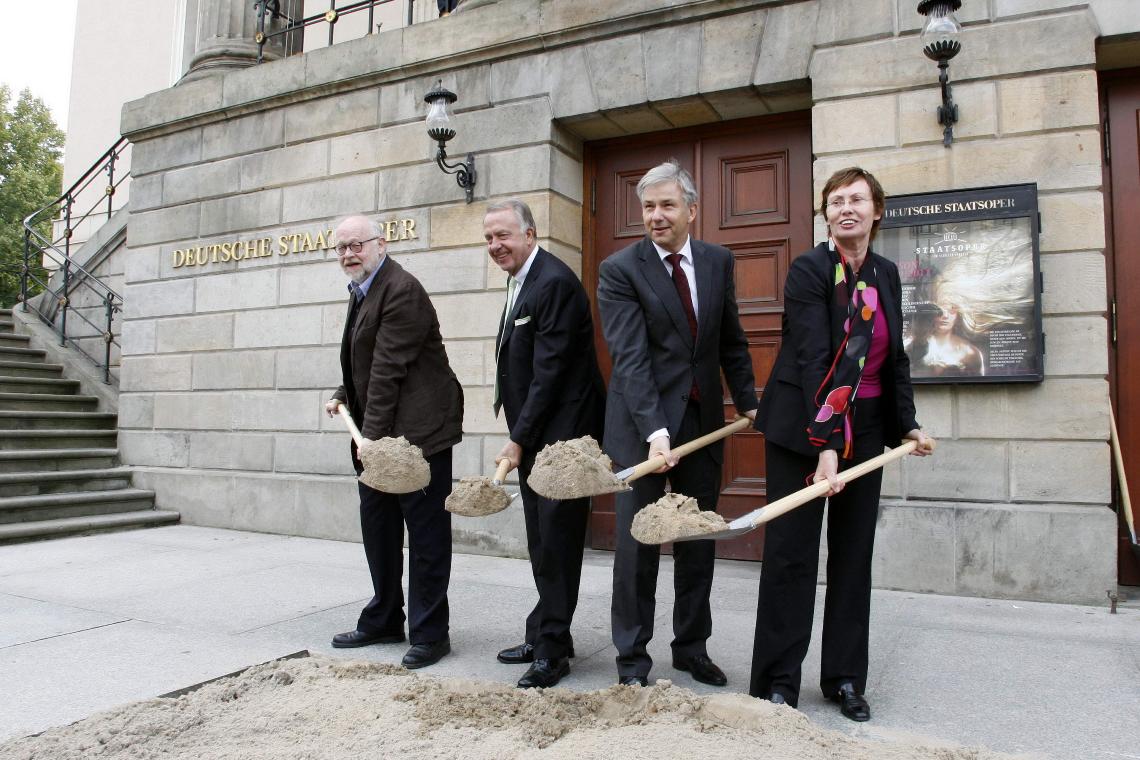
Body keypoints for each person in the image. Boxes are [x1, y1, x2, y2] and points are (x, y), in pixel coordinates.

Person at [748, 168, 932, 721]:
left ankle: (845, 678)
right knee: (791, 555)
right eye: (835, 201)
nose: (845, 208)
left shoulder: (885, 274)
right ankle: (777, 682)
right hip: (804, 427)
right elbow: (812, 358)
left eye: (856, 199)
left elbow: (895, 356)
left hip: (867, 431)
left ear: (877, 210)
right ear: (825, 214)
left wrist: (908, 424)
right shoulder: (810, 269)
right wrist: (824, 444)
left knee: (853, 556)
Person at [597, 159, 758, 688]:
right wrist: (655, 432)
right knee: (637, 546)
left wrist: (749, 402)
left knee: (696, 539)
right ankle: (632, 659)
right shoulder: (620, 270)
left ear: (692, 209)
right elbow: (630, 358)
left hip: (701, 423)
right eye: (648, 207)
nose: (656, 216)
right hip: (640, 428)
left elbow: (730, 339)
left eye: (667, 205)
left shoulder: (717, 261)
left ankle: (691, 648)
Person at [324, 215, 463, 670]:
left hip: (420, 436)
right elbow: (365, 361)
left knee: (426, 537)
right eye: (341, 247)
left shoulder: (401, 289)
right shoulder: (362, 289)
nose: (349, 254)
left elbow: (388, 371)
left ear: (380, 245)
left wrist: (371, 441)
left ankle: (430, 633)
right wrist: (344, 393)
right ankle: (384, 617)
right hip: (382, 435)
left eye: (357, 245)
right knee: (379, 528)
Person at [484, 199, 606, 689]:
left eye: (504, 235)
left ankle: (552, 652)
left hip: (563, 438)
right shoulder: (523, 279)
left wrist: (518, 440)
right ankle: (546, 632)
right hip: (539, 434)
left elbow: (550, 372)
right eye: (489, 238)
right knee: (541, 538)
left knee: (555, 542)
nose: (495, 245)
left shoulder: (552, 282)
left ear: (530, 234)